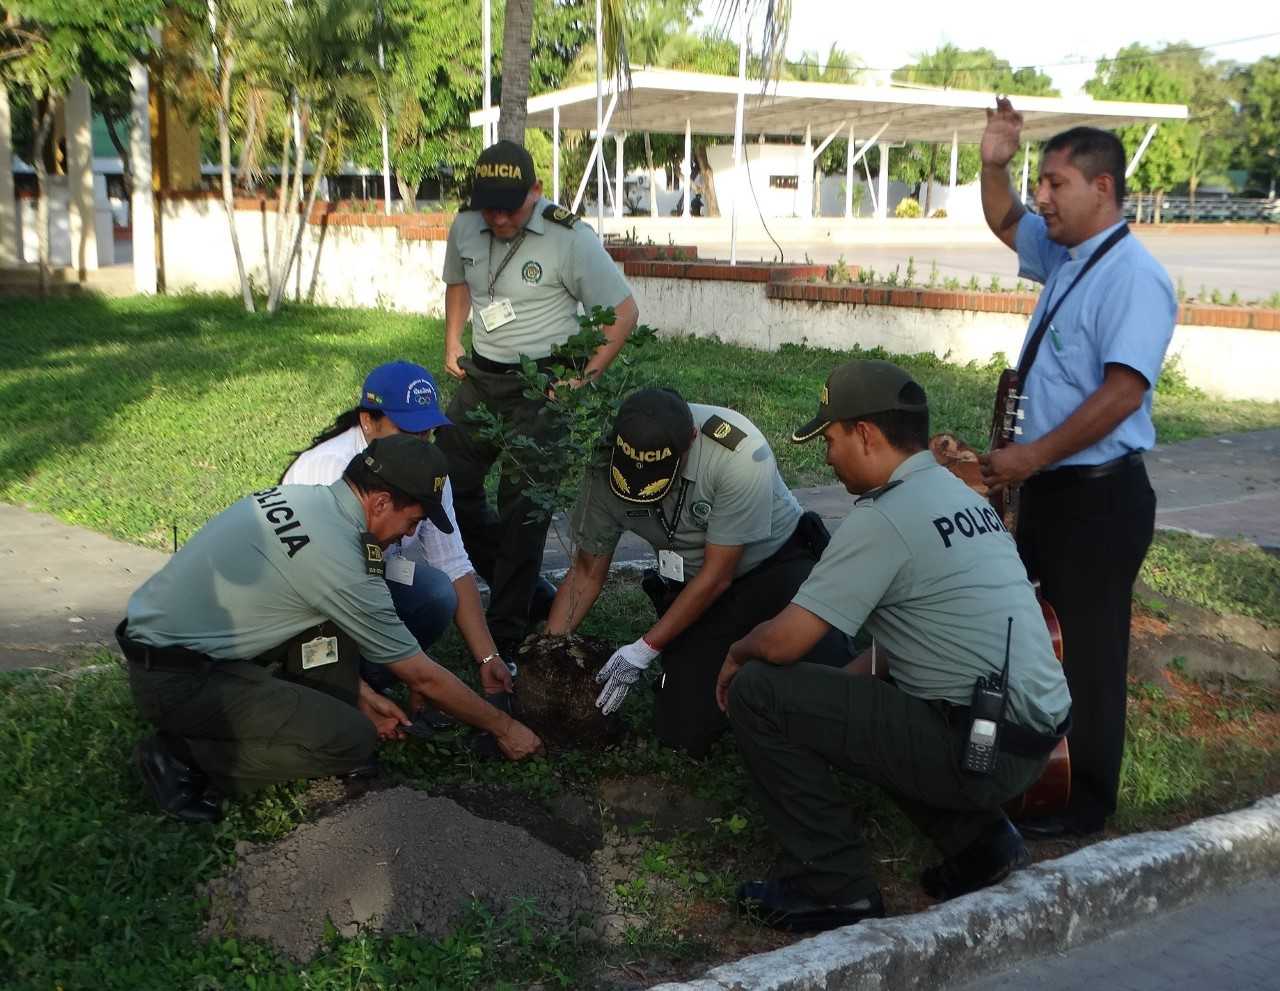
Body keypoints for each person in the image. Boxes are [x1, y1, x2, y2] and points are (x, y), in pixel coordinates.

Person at [715, 359, 1072, 933]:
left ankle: (833, 886)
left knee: (759, 689)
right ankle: (984, 843)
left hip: (984, 748)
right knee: (877, 694)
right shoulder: (958, 494)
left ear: (865, 434)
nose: (826, 456)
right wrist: (835, 702)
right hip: (1033, 737)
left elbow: (784, 643)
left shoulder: (884, 518)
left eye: (830, 439)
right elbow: (915, 639)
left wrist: (735, 654)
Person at [118, 434, 544, 824]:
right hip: (175, 679)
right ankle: (181, 758)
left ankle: (321, 706)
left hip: (179, 642)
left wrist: (361, 694)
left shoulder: (306, 500)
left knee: (330, 630)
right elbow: (421, 675)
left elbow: (316, 626)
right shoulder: (343, 561)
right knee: (351, 742)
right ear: (380, 503)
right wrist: (504, 728)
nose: (410, 533)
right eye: (412, 521)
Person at [978, 100, 1176, 838]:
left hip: (1099, 495)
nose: (1042, 198)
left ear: (1102, 188)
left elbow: (1123, 392)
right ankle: (1037, 777)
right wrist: (994, 160)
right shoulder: (1067, 254)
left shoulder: (1133, 275)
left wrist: (1029, 456)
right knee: (1041, 636)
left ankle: (1087, 799)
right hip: (1053, 490)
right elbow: (1003, 222)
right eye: (1041, 181)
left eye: (1057, 184)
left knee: (1090, 650)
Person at [545, 387, 848, 758]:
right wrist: (549, 652)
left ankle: (771, 673)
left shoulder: (737, 452)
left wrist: (642, 650)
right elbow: (587, 572)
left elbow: (719, 575)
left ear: (689, 442)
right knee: (681, 733)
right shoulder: (604, 466)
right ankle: (742, 675)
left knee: (838, 690)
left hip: (776, 570)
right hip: (695, 591)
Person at [438, 139, 639, 662]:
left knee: (523, 507)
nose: (499, 216)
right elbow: (458, 282)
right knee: (445, 487)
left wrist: (585, 379)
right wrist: (453, 340)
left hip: (545, 383)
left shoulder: (570, 238)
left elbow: (622, 311)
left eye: (511, 205)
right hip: (482, 376)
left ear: (537, 191)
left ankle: (506, 631)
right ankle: (521, 589)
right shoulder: (465, 225)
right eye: (489, 205)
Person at [282, 360, 512, 697]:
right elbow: (311, 587)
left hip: (372, 577)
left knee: (434, 591)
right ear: (367, 421)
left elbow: (452, 563)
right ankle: (331, 683)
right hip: (308, 594)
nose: (421, 441)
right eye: (408, 430)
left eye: (427, 431)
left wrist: (487, 657)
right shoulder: (326, 469)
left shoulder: (426, 466)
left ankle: (373, 675)